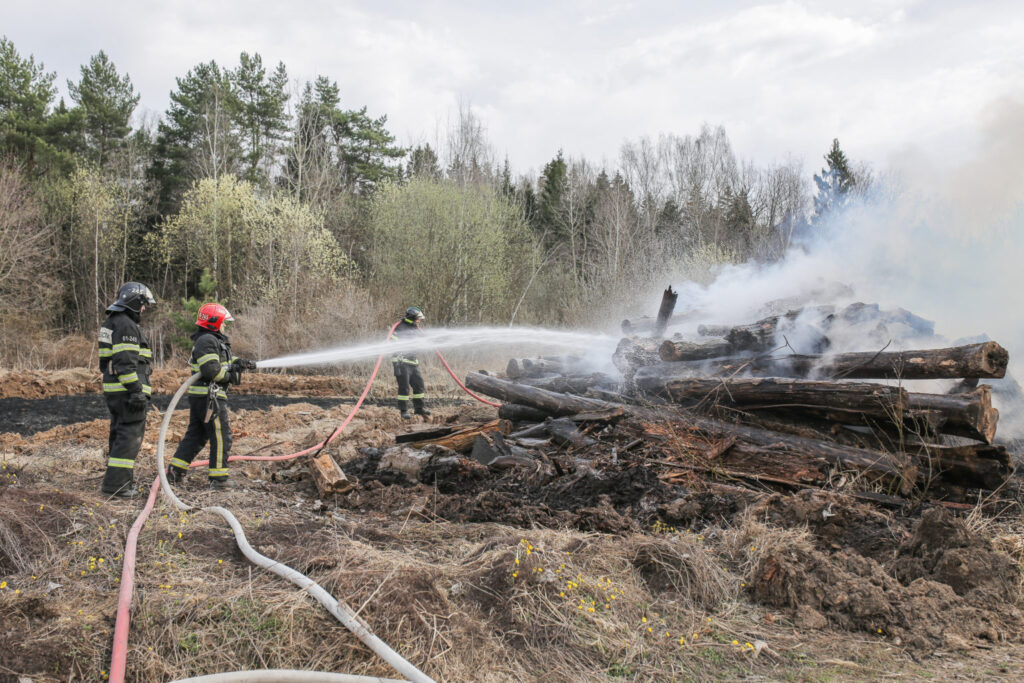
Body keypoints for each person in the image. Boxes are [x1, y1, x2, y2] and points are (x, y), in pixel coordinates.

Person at [166, 303, 253, 489]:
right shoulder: (207, 340)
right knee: (222, 435)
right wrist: (230, 377)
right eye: (223, 322)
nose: (225, 326)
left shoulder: (213, 341)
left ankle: (175, 471)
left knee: (196, 436)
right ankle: (219, 479)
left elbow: (224, 361)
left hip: (203, 398)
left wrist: (241, 363)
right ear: (215, 322)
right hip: (209, 398)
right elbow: (211, 370)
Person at [98, 282, 157, 498]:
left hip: (114, 390)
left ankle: (116, 481)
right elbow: (125, 363)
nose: (143, 309)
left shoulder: (112, 322)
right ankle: (117, 487)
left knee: (119, 433)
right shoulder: (126, 326)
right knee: (129, 436)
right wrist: (136, 391)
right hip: (126, 391)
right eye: (143, 305)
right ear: (134, 302)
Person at [390, 306, 431, 419]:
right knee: (404, 388)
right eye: (418, 318)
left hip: (413, 363)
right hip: (401, 362)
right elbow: (392, 344)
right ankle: (404, 411)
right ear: (413, 318)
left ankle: (419, 409)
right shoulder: (400, 328)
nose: (419, 321)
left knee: (419, 386)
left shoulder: (416, 328)